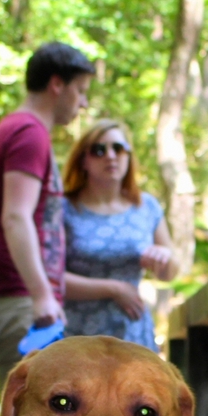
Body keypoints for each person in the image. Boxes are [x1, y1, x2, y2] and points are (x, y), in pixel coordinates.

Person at [0, 42, 94, 392]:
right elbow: (16, 217)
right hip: (14, 297)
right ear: (57, 85)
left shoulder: (16, 130)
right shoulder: (29, 134)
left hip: (14, 297)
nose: (83, 102)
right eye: (80, 91)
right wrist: (41, 295)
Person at [60, 120, 178, 351]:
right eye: (99, 150)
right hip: (77, 335)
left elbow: (170, 273)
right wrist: (114, 289)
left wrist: (164, 257)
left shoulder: (147, 206)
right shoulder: (62, 208)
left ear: (129, 156)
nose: (111, 156)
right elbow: (50, 278)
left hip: (132, 333)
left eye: (119, 148)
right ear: (83, 160)